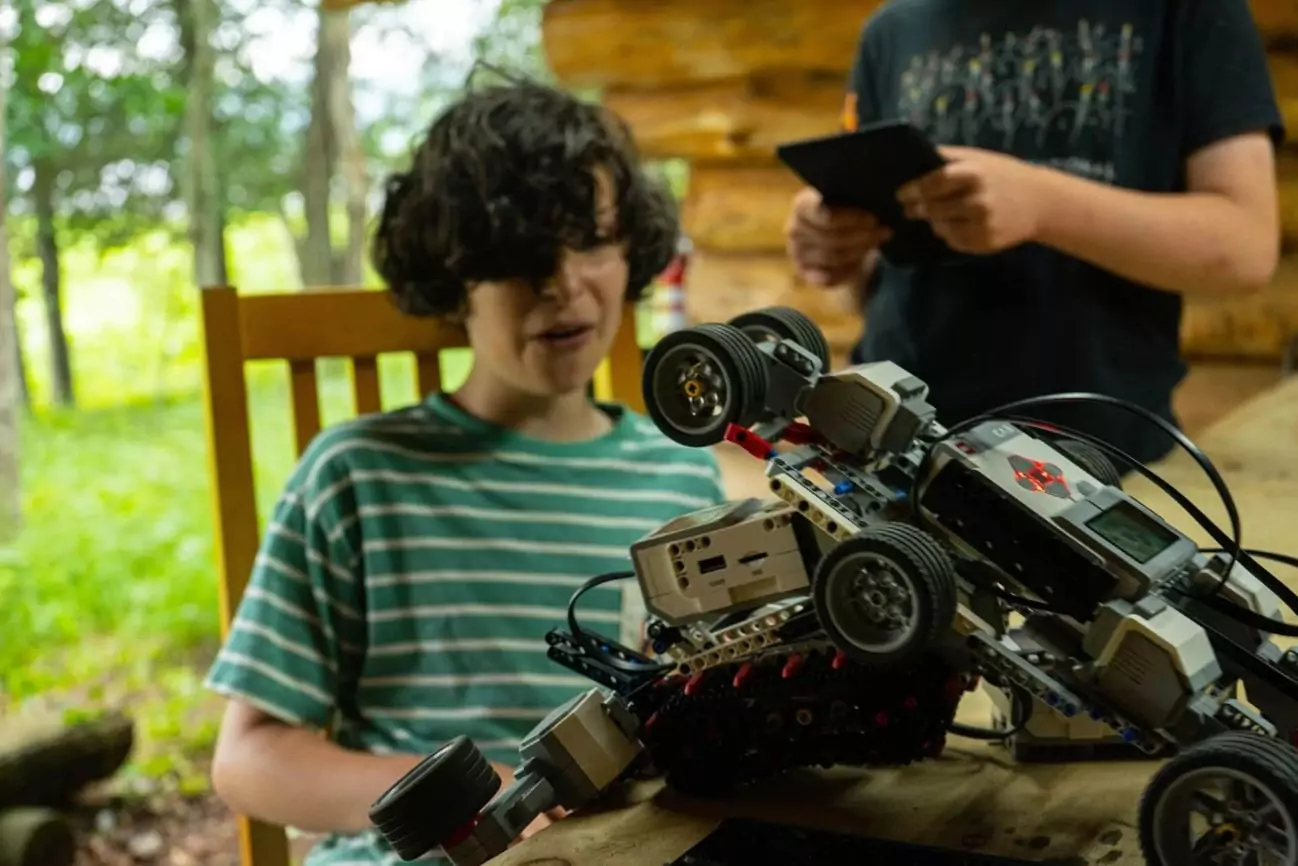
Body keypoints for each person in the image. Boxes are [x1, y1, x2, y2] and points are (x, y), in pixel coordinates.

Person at [203, 81, 727, 864]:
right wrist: (483, 800)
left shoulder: (680, 481)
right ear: (454, 282)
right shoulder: (357, 478)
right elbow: (249, 758)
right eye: (519, 258)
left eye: (590, 241)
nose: (562, 284)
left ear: (633, 251)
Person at [785, 0, 1286, 465]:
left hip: (1095, 455)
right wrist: (836, 243)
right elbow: (870, 288)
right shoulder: (891, 28)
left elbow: (1245, 248)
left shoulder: (1184, 11)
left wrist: (1043, 205)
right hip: (890, 442)